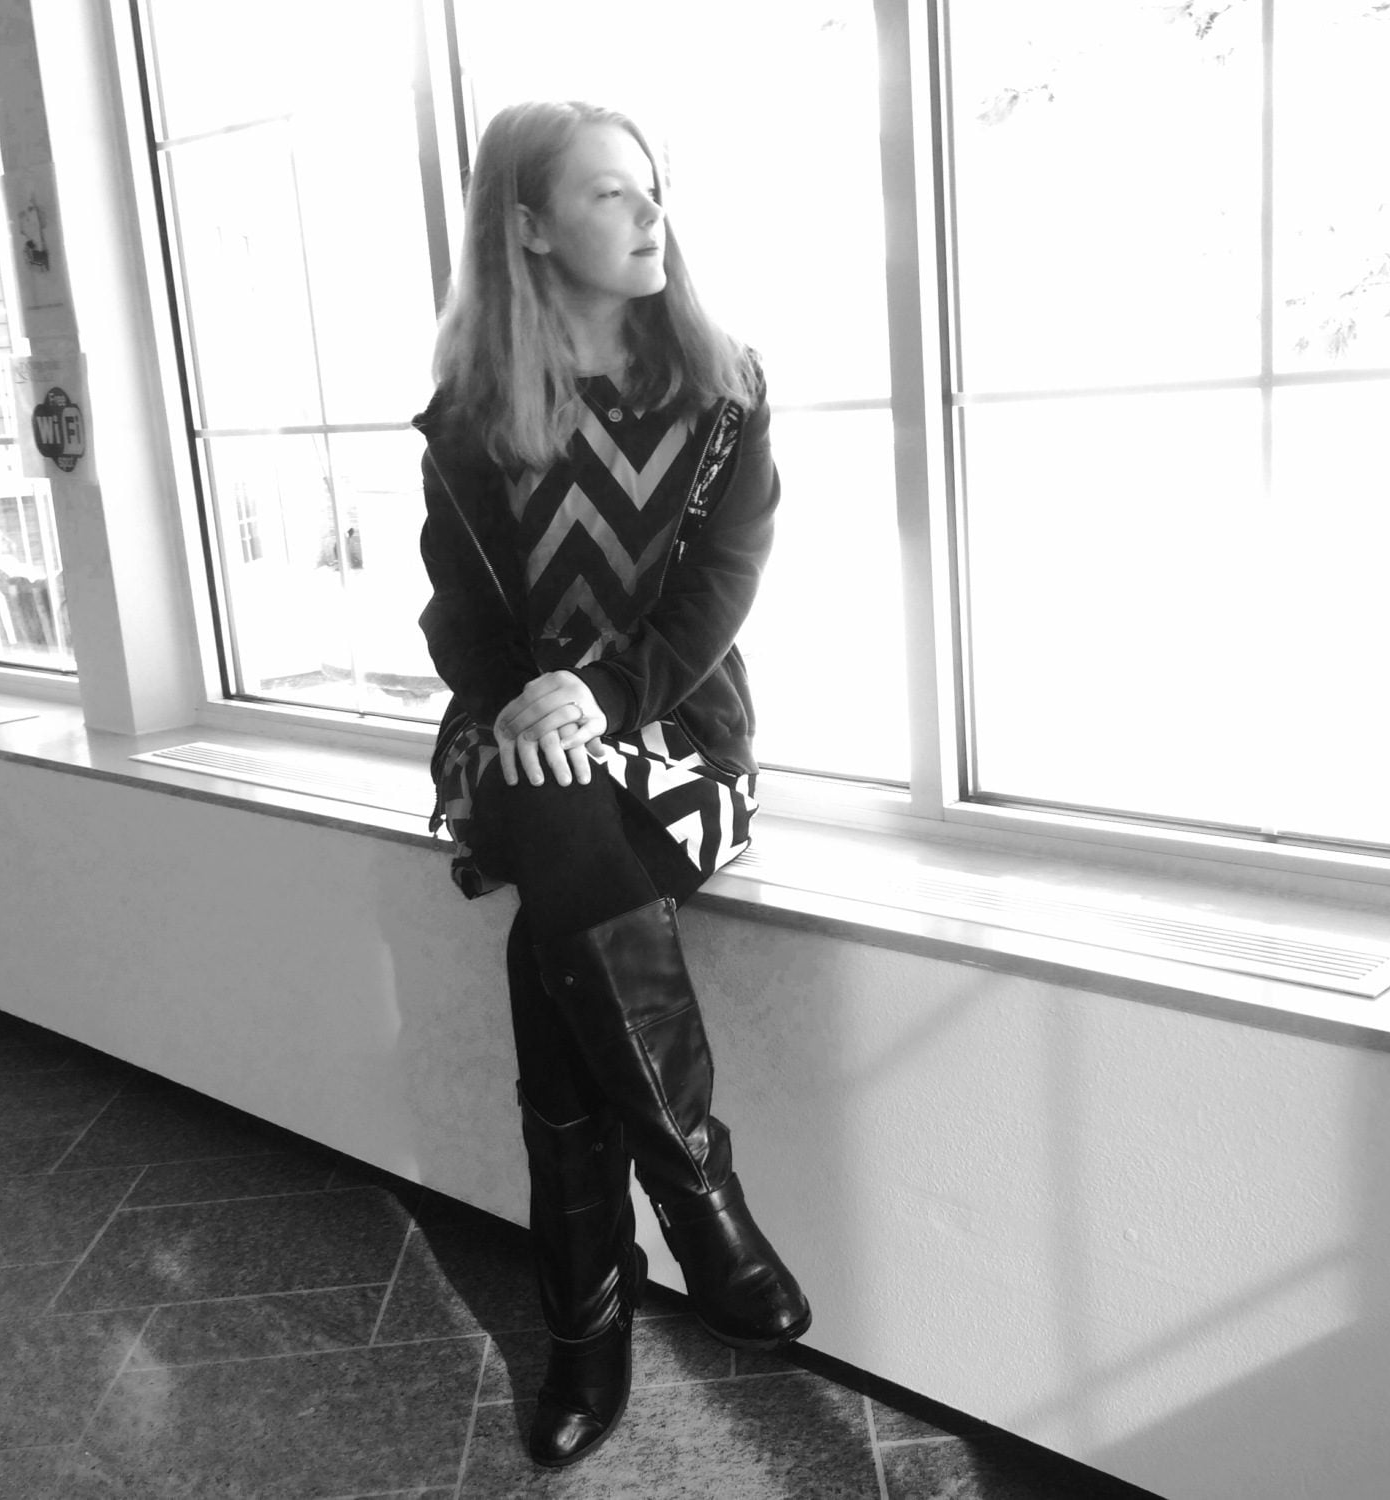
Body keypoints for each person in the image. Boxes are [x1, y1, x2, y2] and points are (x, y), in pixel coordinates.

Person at [412, 100, 809, 1470]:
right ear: (528, 227)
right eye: (609, 194)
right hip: (516, 738)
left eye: (652, 188)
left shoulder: (722, 392)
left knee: (552, 929)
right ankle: (702, 1203)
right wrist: (526, 702)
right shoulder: (471, 418)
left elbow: (720, 591)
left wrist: (600, 696)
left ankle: (590, 1321)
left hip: (680, 736)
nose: (651, 215)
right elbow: (461, 619)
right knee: (546, 792)